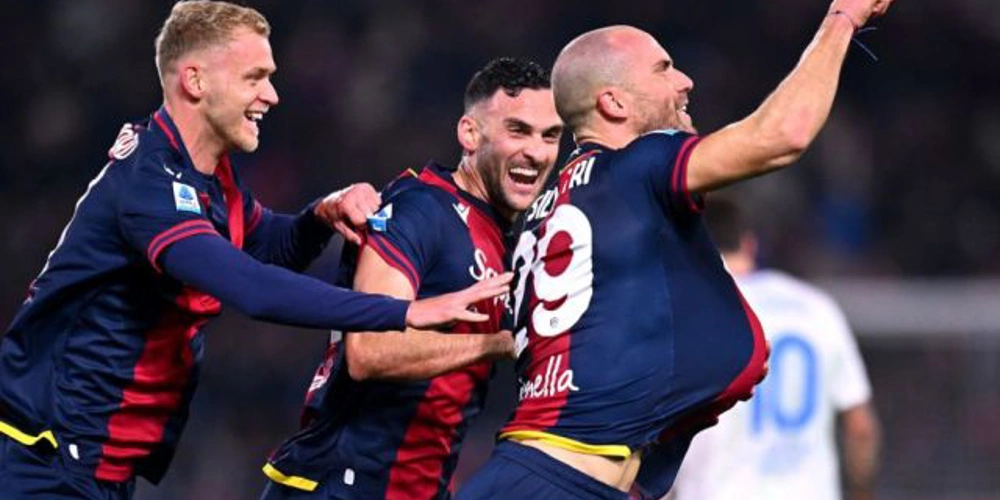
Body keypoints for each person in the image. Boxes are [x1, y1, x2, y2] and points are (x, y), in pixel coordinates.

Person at [0, 2, 510, 499]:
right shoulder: (150, 183)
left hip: (91, 463)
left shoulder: (207, 177)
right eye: (254, 77)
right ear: (195, 81)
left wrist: (320, 215)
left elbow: (268, 245)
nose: (271, 95)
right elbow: (251, 288)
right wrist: (403, 312)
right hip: (43, 455)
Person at [456, 0, 896, 499]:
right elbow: (781, 136)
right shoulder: (638, 167)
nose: (685, 81)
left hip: (550, 474)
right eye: (663, 69)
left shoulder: (553, 210)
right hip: (552, 482)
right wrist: (842, 19)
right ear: (614, 103)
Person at [259, 57, 564, 500]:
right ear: (470, 134)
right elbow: (369, 351)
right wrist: (501, 342)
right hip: (341, 485)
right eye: (517, 130)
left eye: (550, 135)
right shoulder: (421, 209)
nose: (536, 152)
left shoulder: (504, 239)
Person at [669, 199, 881, 500]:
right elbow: (860, 427)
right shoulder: (817, 308)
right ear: (749, 244)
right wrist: (861, 491)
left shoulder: (690, 315)